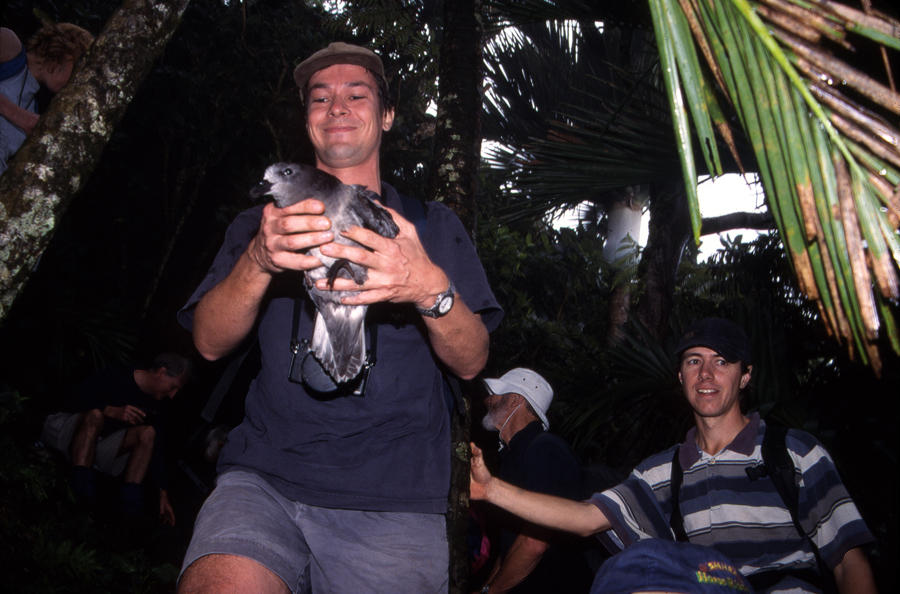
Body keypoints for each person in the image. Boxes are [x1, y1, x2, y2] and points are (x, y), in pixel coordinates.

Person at [177, 41, 501, 593]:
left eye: (358, 94)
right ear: (307, 121)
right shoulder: (260, 225)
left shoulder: (432, 226)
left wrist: (428, 287)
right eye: (320, 98)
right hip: (264, 478)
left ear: (388, 115)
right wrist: (258, 259)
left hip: (393, 499)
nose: (338, 106)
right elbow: (207, 344)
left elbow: (472, 362)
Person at [470, 318, 877, 593]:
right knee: (634, 575)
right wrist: (490, 490)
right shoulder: (663, 472)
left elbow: (847, 561)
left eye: (722, 362)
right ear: (680, 376)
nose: (706, 375)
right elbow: (584, 519)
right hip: (709, 586)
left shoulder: (794, 452)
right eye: (694, 361)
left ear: (745, 375)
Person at [475, 367, 590, 594]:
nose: (487, 400)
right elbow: (511, 546)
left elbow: (535, 542)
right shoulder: (512, 457)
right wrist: (486, 588)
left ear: (515, 400)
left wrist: (492, 592)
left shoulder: (546, 449)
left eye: (495, 395)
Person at [41, 352, 191, 525]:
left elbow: (156, 451)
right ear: (162, 372)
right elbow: (71, 397)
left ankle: (129, 513)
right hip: (68, 433)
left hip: (100, 449)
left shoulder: (159, 406)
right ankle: (79, 496)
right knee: (95, 415)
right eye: (173, 387)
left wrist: (162, 493)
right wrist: (110, 410)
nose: (172, 395)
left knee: (148, 433)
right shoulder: (118, 373)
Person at [0, 22, 94, 175]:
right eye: (77, 70)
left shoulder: (34, 110)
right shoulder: (10, 47)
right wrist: (19, 117)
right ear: (66, 54)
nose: (74, 82)